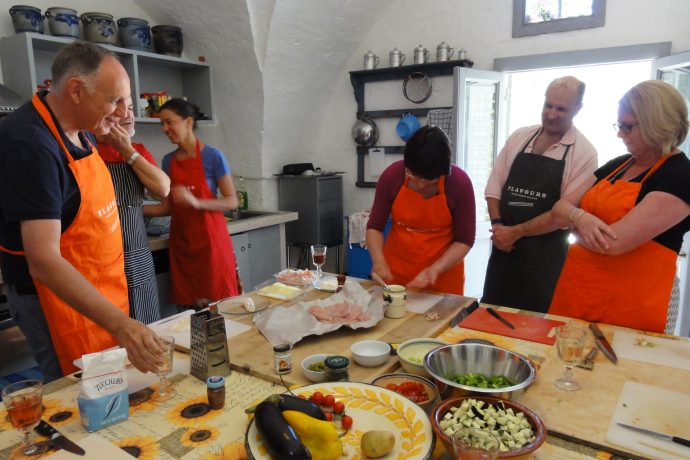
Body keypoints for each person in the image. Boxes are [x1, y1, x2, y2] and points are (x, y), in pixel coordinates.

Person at [0, 42, 162, 381]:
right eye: (114, 100)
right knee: (77, 400)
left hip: (99, 291)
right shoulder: (31, 144)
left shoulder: (83, 133)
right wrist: (121, 324)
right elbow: (43, 260)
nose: (121, 112)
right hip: (56, 301)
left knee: (111, 389)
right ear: (76, 90)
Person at [550, 80, 690, 333]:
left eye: (627, 126)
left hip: (631, 309)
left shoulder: (679, 176)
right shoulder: (620, 164)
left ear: (656, 123)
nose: (619, 134)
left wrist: (573, 223)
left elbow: (612, 243)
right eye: (619, 125)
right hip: (578, 294)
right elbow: (559, 209)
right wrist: (580, 218)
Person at [481, 76, 598, 313]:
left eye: (561, 109)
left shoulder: (585, 154)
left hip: (544, 260)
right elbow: (493, 190)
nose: (552, 114)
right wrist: (498, 225)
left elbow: (562, 215)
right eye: (548, 105)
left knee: (536, 329)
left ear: (578, 109)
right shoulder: (520, 137)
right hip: (503, 253)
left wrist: (517, 232)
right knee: (489, 321)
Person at [146, 98, 239, 306]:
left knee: (218, 307)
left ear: (188, 122)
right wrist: (132, 211)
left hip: (211, 243)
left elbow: (232, 201)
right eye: (162, 123)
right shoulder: (168, 161)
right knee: (190, 310)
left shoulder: (213, 157)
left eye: (169, 122)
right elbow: (169, 206)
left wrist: (197, 203)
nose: (164, 128)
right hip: (183, 245)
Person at [366, 125, 475, 294]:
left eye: (428, 181)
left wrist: (435, 269)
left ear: (444, 173)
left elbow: (465, 240)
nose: (420, 184)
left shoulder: (460, 184)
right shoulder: (392, 176)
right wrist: (379, 261)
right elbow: (374, 227)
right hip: (394, 277)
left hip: (443, 280)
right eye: (413, 177)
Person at [96, 99, 171, 324]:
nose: (129, 116)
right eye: (122, 111)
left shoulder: (136, 151)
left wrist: (127, 150)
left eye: (130, 109)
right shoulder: (87, 150)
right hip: (102, 259)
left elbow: (163, 189)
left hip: (137, 255)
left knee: (147, 328)